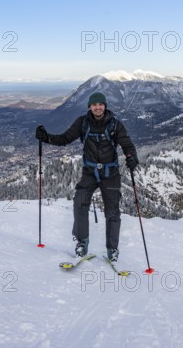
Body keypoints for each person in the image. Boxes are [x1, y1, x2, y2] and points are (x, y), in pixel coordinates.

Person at [35, 92, 139, 262]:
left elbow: (127, 144)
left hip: (110, 173)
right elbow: (65, 138)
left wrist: (132, 157)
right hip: (90, 172)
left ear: (105, 106)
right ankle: (82, 243)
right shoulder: (82, 123)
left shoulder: (115, 125)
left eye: (100, 104)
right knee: (79, 203)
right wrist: (46, 138)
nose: (97, 107)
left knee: (112, 212)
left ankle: (112, 249)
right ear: (90, 106)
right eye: (94, 104)